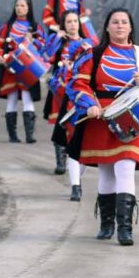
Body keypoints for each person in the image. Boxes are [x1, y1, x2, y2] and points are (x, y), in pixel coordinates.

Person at [66, 9, 139, 246]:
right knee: (106, 173)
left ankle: (125, 229)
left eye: (124, 22)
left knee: (125, 168)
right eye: (115, 22)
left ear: (131, 27)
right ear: (107, 27)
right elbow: (77, 83)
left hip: (131, 120)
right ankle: (106, 225)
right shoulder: (94, 54)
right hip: (99, 119)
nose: (120, 26)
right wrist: (90, 104)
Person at [44, 10, 91, 194]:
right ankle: (60, 161)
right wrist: (56, 38)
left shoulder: (87, 44)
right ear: (64, 24)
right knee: (61, 125)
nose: (72, 24)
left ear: (79, 24)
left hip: (79, 93)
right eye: (69, 22)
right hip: (60, 90)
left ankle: (75, 175)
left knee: (78, 131)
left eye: (75, 21)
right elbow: (46, 56)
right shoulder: (60, 41)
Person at [0, 0, 47, 144]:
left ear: (28, 8)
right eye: (17, 5)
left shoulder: (35, 28)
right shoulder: (7, 27)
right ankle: (13, 135)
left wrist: (32, 40)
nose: (19, 8)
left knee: (28, 98)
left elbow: (43, 47)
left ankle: (30, 135)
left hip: (28, 68)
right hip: (11, 69)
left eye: (22, 5)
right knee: (12, 99)